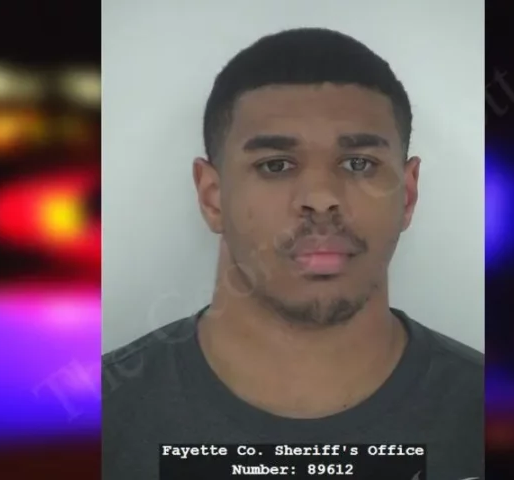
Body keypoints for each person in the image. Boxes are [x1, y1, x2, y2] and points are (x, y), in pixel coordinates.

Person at [103, 27, 483, 480]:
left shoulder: (495, 416)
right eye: (275, 165)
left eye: (359, 163)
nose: (321, 198)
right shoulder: (95, 420)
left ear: (407, 194)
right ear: (212, 198)